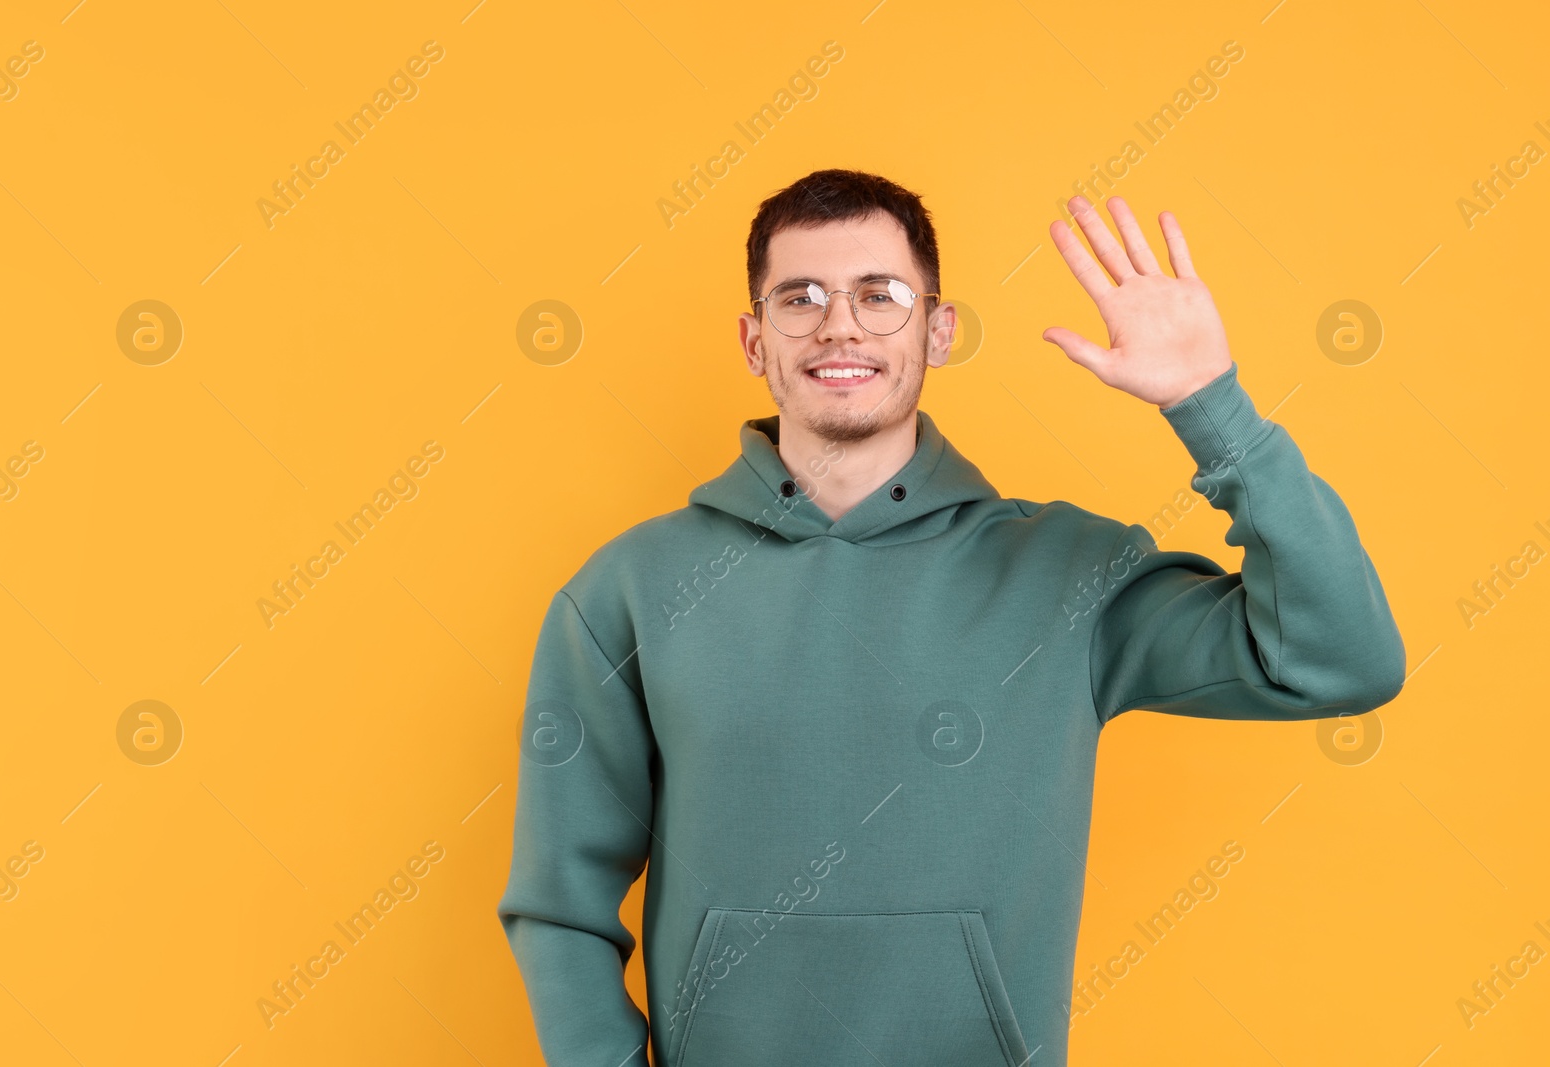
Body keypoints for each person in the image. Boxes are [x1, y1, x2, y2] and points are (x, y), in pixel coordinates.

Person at [497, 168, 1404, 1066]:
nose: (840, 324)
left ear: (939, 331)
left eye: (879, 295)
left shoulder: (1070, 575)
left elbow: (1340, 661)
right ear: (753, 339)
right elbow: (560, 900)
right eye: (799, 296)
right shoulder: (631, 587)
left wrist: (1212, 407)